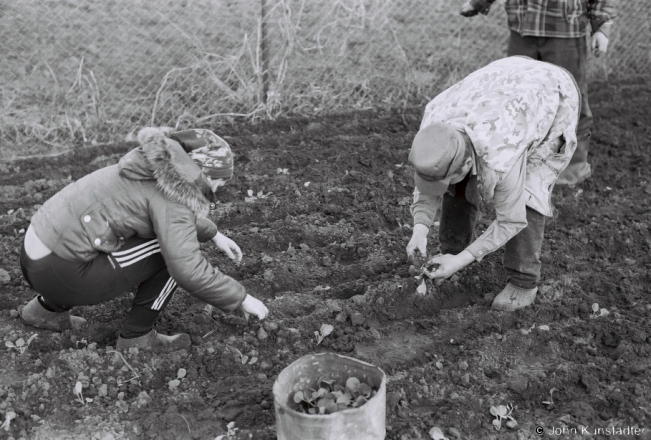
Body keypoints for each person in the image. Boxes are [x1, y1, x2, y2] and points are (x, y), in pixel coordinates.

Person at [18, 127, 268, 352]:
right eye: (218, 181)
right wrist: (241, 298)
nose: (216, 190)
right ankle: (137, 338)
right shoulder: (174, 196)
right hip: (62, 274)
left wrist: (214, 233)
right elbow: (186, 267)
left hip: (35, 255)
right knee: (169, 253)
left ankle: (45, 311)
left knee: (109, 238)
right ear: (203, 172)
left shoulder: (147, 168)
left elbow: (162, 214)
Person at [406, 56, 580, 311]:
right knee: (453, 180)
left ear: (468, 163)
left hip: (549, 95)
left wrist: (464, 260)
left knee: (528, 193)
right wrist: (419, 229)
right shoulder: (434, 126)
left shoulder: (501, 154)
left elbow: (510, 220)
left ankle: (523, 280)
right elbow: (431, 177)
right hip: (499, 83)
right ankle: (452, 249)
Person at [460, 0, 617, 186]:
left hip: (565, 31)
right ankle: (516, 162)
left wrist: (601, 27)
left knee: (569, 99)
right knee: (516, 99)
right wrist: (478, 3)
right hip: (522, 30)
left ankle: (571, 168)